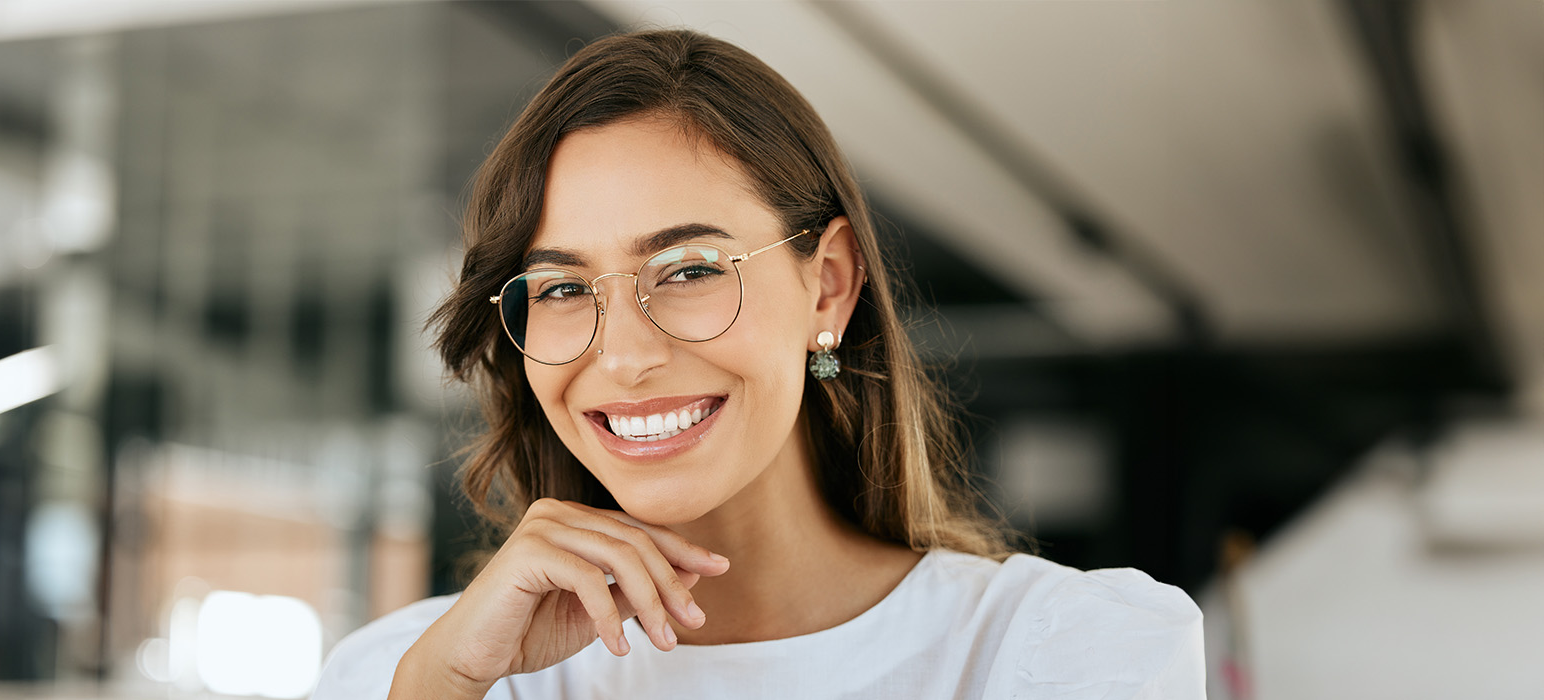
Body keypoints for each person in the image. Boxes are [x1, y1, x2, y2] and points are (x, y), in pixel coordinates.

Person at [316, 28, 1203, 699]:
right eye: (559, 289)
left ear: (829, 286)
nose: (622, 356)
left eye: (690, 271)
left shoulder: (1052, 653)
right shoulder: (427, 668)